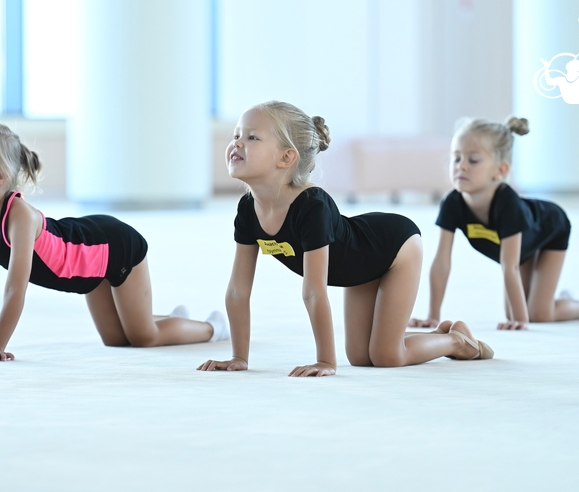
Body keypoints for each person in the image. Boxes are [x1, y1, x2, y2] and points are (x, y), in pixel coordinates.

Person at [0, 118, 227, 361]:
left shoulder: (19, 215)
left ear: (0, 176)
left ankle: (209, 327)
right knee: (115, 341)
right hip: (86, 272)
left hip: (112, 247)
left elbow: (14, 288)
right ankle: (165, 317)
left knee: (142, 338)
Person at [198, 101, 492, 377]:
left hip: (394, 248)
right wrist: (239, 357)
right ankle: (440, 336)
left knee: (387, 355)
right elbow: (238, 290)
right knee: (362, 356)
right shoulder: (248, 210)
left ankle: (457, 341)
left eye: (252, 138)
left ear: (286, 157)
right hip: (358, 266)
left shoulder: (311, 206)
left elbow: (313, 291)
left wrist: (325, 361)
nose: (236, 143)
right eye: (236, 135)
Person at [409, 116, 579, 332]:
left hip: (550, 229)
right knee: (511, 313)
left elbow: (510, 266)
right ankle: (554, 296)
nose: (462, 166)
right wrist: (433, 316)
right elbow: (441, 263)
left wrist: (522, 322)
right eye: (456, 158)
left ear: (501, 170)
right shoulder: (452, 203)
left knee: (538, 315)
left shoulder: (508, 205)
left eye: (473, 160)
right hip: (523, 246)